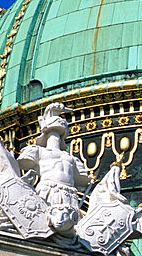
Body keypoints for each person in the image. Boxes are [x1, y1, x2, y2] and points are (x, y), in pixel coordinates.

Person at [17, 102, 90, 238]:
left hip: (69, 193)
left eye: (58, 132)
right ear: (45, 132)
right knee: (46, 229)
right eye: (52, 131)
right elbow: (22, 162)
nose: (55, 135)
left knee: (70, 231)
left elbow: (85, 179)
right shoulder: (37, 151)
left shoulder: (70, 158)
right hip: (48, 190)